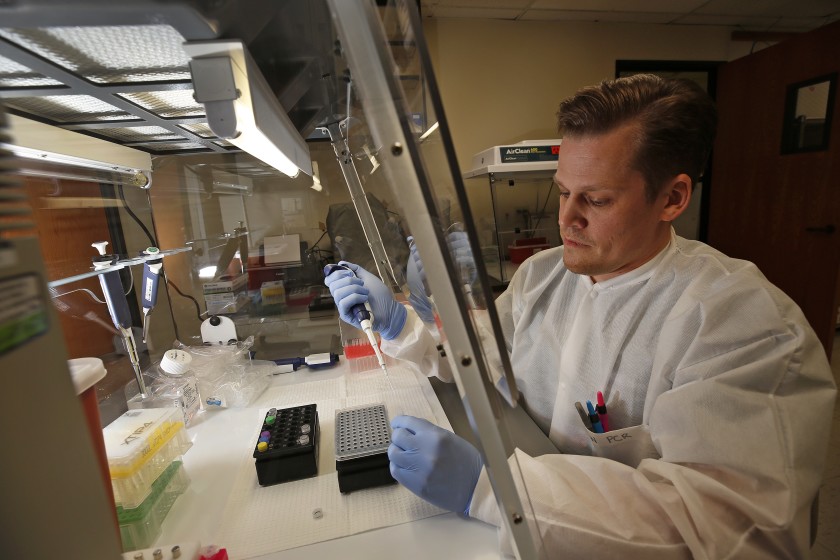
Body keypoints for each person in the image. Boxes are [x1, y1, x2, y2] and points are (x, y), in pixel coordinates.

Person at [324, 74, 837, 558]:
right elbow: (488, 357)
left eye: (596, 199)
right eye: (564, 191)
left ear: (673, 198)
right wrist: (403, 327)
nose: (566, 219)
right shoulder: (544, 274)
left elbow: (727, 529)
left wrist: (497, 490)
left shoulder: (741, 324)